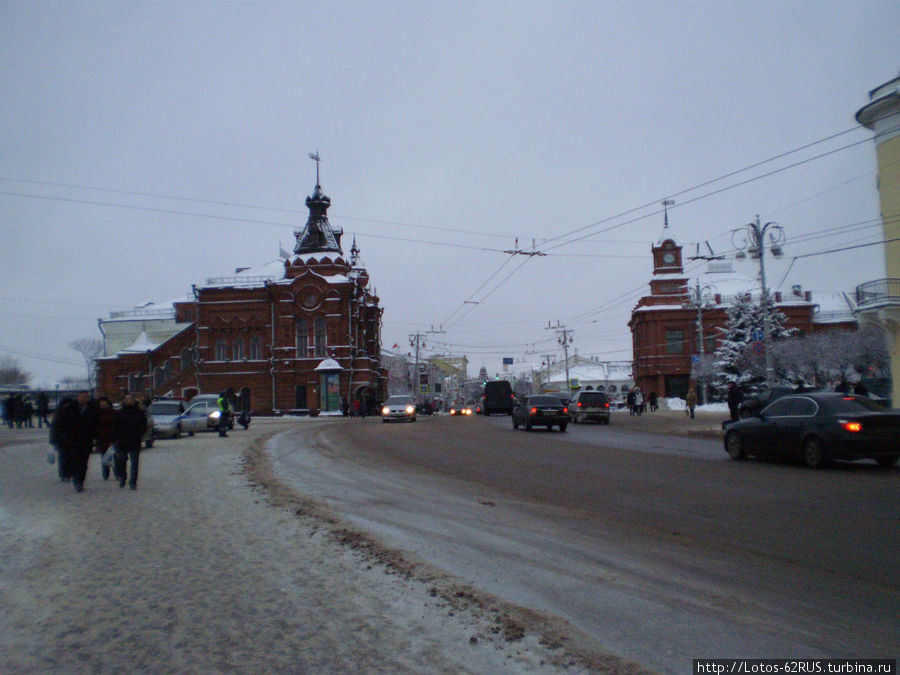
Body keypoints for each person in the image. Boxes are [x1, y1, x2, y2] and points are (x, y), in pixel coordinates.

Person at [57, 391, 98, 492]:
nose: (84, 399)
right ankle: (77, 480)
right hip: (73, 440)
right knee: (75, 461)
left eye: (86, 397)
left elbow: (96, 424)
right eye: (82, 397)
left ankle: (80, 480)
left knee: (84, 462)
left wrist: (95, 436)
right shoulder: (70, 409)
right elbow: (62, 424)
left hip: (86, 440)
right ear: (78, 397)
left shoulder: (92, 409)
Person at [114, 392, 147, 490]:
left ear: (133, 400)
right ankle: (123, 478)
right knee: (122, 461)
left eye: (130, 399)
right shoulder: (120, 413)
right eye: (126, 399)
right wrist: (116, 437)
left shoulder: (139, 412)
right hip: (122, 441)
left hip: (134, 441)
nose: (128, 400)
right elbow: (115, 426)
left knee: (134, 462)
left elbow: (143, 425)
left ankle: (133, 482)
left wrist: (138, 435)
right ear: (123, 400)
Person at [50, 397, 76, 482]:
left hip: (64, 439)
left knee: (64, 457)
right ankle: (66, 474)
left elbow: (54, 427)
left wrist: (53, 439)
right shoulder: (71, 413)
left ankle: (65, 474)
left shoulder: (59, 413)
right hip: (66, 439)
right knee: (66, 457)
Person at [94, 396, 117, 481]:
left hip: (112, 437)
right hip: (102, 438)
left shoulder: (113, 413)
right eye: (101, 402)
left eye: (104, 401)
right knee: (104, 456)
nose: (102, 403)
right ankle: (105, 474)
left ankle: (117, 473)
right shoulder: (97, 413)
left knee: (114, 456)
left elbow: (116, 425)